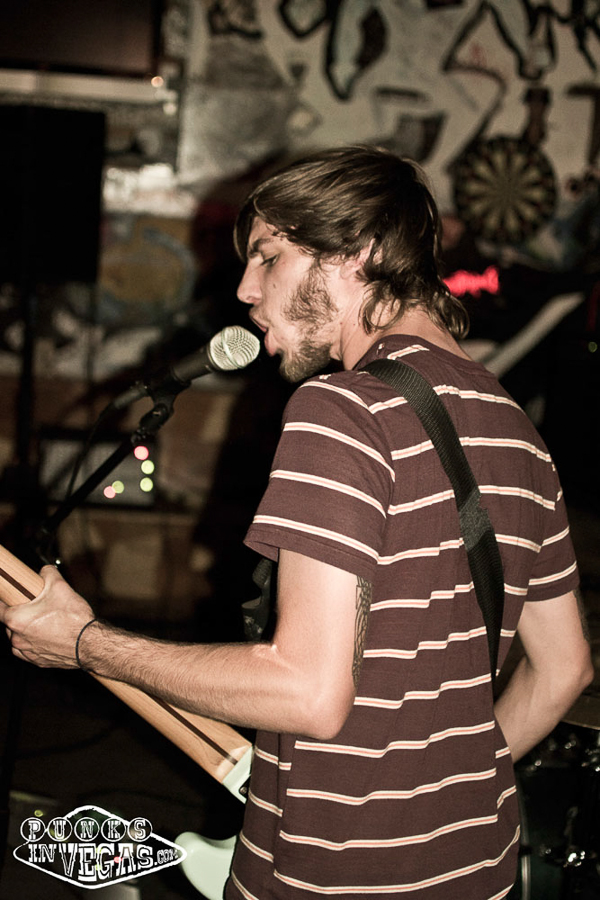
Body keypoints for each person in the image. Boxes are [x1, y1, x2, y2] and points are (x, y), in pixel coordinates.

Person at [1, 146, 593, 899]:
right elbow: (565, 667)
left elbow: (307, 691)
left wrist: (85, 643)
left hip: (327, 877)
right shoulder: (516, 429)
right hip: (477, 864)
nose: (245, 289)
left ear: (358, 252)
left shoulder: (341, 409)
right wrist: (436, 787)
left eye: (268, 256)